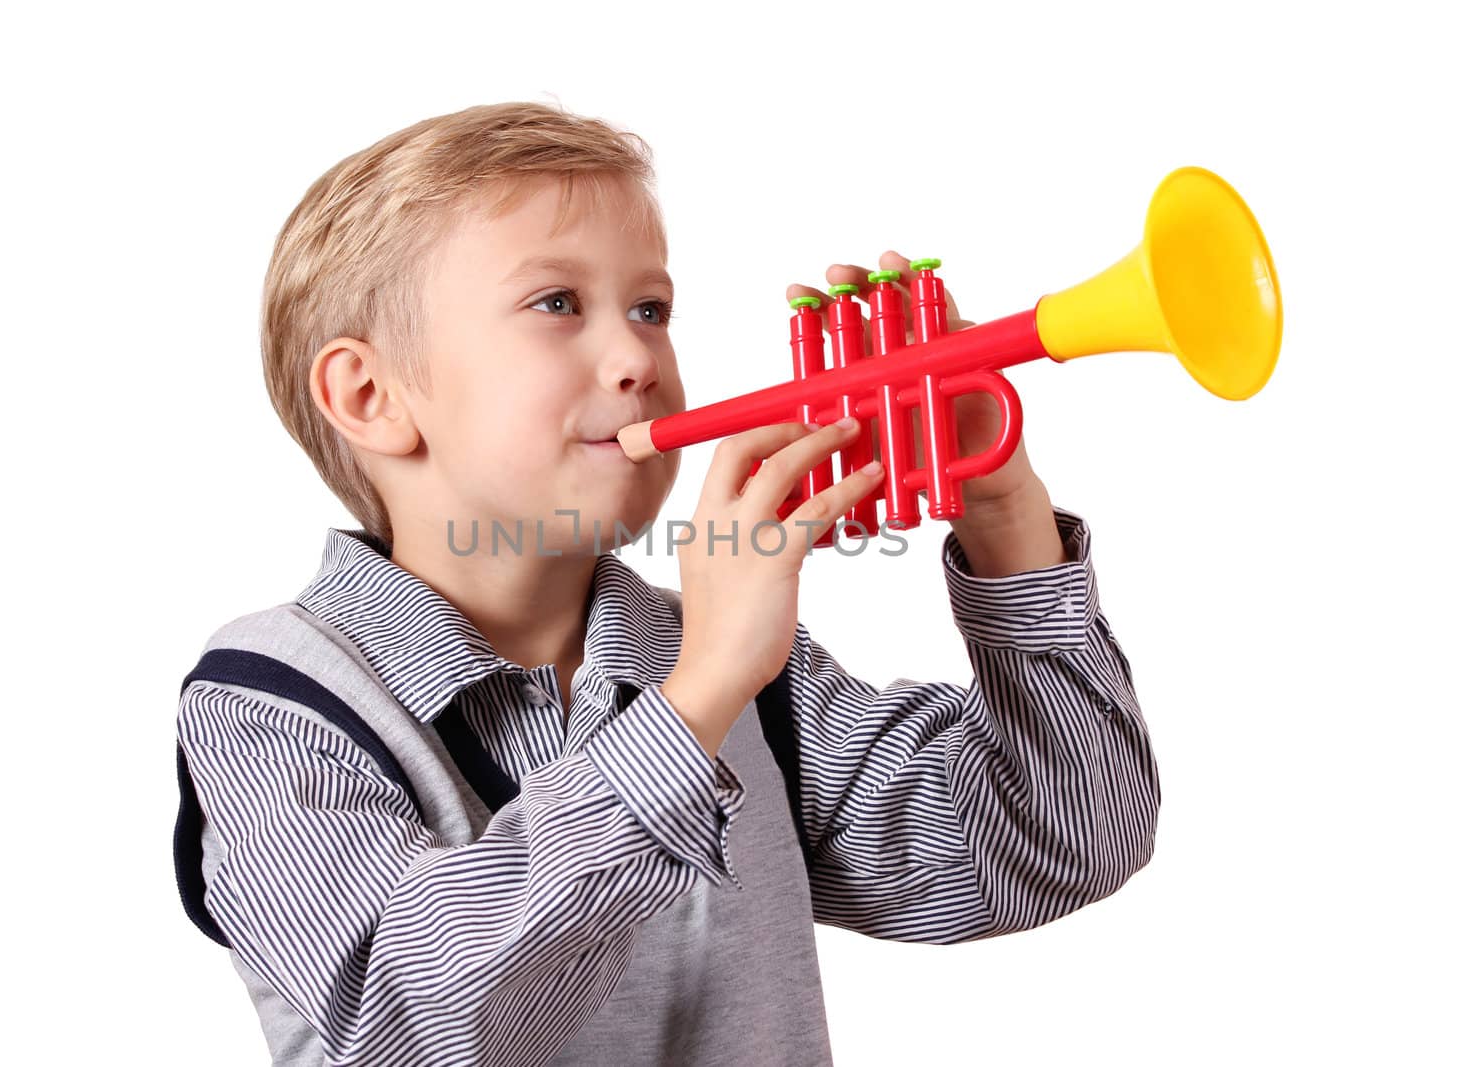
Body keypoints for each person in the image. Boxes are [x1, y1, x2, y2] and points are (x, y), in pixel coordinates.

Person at [174, 100, 1162, 1066]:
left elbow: (1065, 837)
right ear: (370, 397)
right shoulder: (270, 702)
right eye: (557, 304)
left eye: (650, 308)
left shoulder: (736, 669)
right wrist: (694, 702)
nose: (637, 356)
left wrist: (1001, 514)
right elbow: (412, 1022)